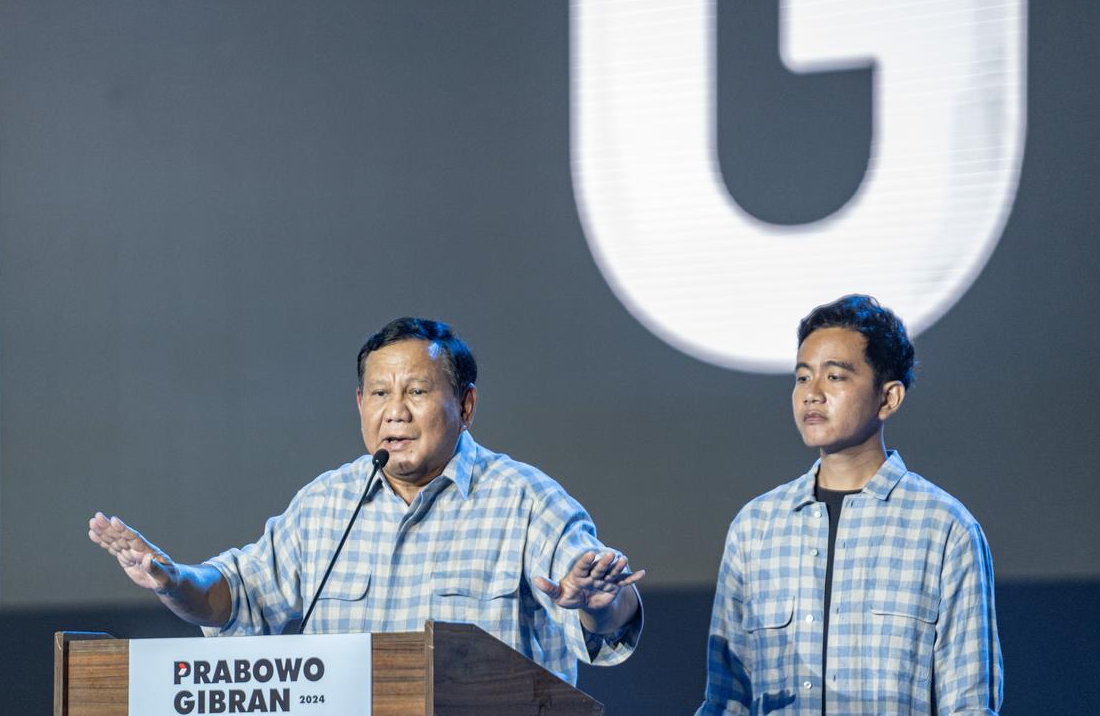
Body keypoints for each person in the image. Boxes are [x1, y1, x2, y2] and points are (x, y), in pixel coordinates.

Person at [89, 317, 643, 684]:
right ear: (360, 402)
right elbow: (236, 597)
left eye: (417, 392)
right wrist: (174, 580)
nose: (394, 412)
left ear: (466, 405)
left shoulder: (525, 500)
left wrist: (596, 602)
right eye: (379, 394)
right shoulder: (327, 504)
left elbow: (606, 615)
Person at [696, 295, 1002, 715]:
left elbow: (968, 704)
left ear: (888, 398)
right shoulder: (756, 526)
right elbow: (724, 701)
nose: (812, 395)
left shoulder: (943, 528)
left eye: (835, 377)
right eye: (802, 378)